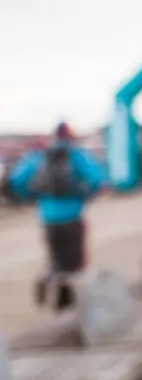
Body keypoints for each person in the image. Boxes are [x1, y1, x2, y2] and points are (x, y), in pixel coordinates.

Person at [5, 122, 105, 311]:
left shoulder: (39, 156)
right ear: (70, 136)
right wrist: (85, 196)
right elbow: (96, 179)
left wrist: (30, 198)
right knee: (75, 264)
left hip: (48, 217)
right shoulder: (76, 155)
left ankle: (47, 279)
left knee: (56, 259)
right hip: (73, 215)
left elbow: (17, 180)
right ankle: (68, 305)